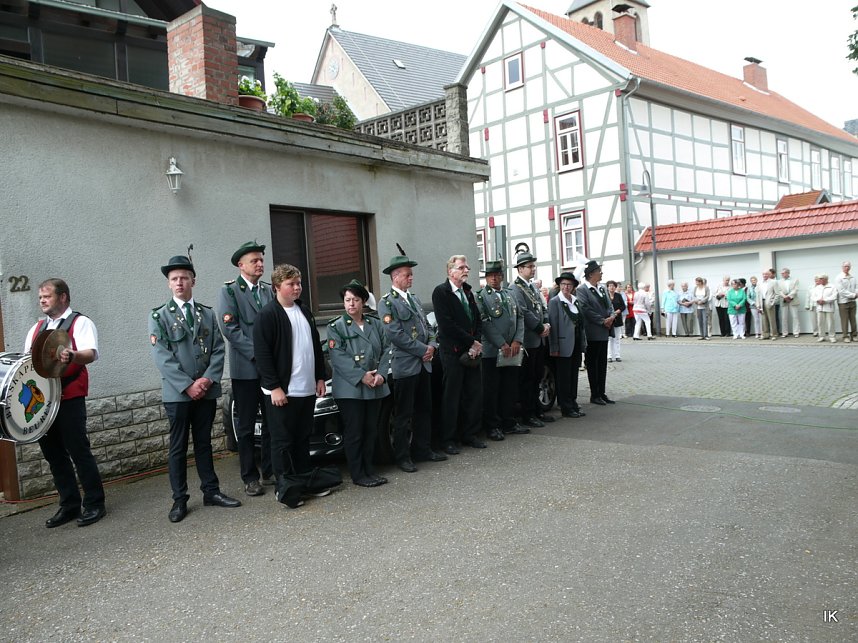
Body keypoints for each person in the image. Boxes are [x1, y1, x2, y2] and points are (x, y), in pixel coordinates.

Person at [149, 256, 241, 523]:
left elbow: (218, 349)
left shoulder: (207, 314)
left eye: (184, 278)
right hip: (178, 394)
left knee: (204, 443)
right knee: (178, 447)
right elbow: (162, 357)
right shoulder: (159, 316)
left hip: (206, 391)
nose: (179, 282)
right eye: (174, 279)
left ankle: (211, 492)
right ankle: (179, 500)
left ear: (193, 281)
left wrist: (207, 380)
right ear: (169, 284)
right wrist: (188, 386)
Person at [24, 278, 106, 528]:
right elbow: (28, 361)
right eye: (40, 297)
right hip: (44, 401)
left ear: (63, 297)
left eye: (47, 296)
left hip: (70, 396)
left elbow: (90, 354)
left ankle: (95, 503)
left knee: (78, 450)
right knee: (54, 455)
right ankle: (69, 504)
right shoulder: (37, 328)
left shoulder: (80, 322)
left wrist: (72, 355)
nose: (42, 301)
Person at [252, 263, 328, 505]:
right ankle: (286, 490)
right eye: (291, 284)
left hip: (306, 389)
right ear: (277, 286)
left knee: (302, 439)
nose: (297, 288)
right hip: (282, 391)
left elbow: (315, 347)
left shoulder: (304, 311)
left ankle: (305, 484)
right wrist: (274, 387)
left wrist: (319, 377)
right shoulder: (267, 315)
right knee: (282, 442)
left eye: (299, 283)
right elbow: (262, 355)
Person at [379, 254, 447, 471]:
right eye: (407, 275)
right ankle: (402, 456)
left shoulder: (415, 299)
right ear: (395, 276)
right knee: (403, 414)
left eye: (411, 274)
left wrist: (432, 346)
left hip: (424, 363)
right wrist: (422, 350)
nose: (411, 278)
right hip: (406, 366)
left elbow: (427, 327)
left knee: (424, 409)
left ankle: (422, 449)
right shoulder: (387, 303)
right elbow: (395, 334)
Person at [216, 241, 274, 497]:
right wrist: (259, 355)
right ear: (241, 265)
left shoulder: (268, 291)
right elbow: (230, 329)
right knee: (247, 426)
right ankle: (250, 477)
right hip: (247, 371)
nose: (260, 264)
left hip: (269, 370)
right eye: (254, 261)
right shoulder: (230, 292)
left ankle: (271, 470)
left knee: (272, 422)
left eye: (261, 260)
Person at [328, 280, 391, 487]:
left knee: (371, 430)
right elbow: (338, 358)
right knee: (355, 432)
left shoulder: (375, 324)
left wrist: (381, 374)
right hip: (351, 389)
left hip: (375, 386)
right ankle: (358, 474)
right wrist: (362, 376)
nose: (351, 304)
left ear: (363, 301)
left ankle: (369, 470)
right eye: (347, 300)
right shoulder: (336, 327)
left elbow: (387, 350)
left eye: (355, 300)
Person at [433, 255, 485, 451]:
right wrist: (471, 341)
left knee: (473, 394)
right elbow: (447, 325)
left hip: (472, 351)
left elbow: (477, 320)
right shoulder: (441, 292)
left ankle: (470, 434)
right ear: (450, 271)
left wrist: (476, 343)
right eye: (462, 267)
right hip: (452, 353)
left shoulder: (468, 292)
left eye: (467, 267)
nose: (466, 270)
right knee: (452, 397)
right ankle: (448, 439)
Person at [476, 260, 527, 441]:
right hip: (492, 351)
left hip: (512, 349)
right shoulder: (481, 296)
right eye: (490, 276)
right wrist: (501, 343)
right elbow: (484, 322)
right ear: (486, 278)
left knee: (509, 387)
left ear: (502, 277)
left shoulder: (509, 294)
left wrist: (517, 340)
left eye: (497, 275)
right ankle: (493, 426)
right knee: (491, 390)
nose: (494, 279)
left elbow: (520, 317)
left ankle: (509, 421)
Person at [511, 252, 553, 427]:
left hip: (539, 339)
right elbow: (524, 311)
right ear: (520, 269)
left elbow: (541, 307)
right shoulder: (515, 288)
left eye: (533, 266)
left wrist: (546, 323)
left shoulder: (532, 287)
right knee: (527, 379)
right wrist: (539, 327)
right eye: (529, 266)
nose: (533, 269)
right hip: (528, 339)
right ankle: (527, 414)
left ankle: (537, 410)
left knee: (537, 377)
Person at [575, 261, 618, 406]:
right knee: (593, 364)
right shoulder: (582, 290)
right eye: (599, 271)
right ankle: (595, 394)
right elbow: (585, 309)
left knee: (602, 363)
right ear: (591, 274)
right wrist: (602, 320)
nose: (601, 273)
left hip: (604, 331)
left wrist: (611, 317)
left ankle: (602, 392)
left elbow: (610, 305)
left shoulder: (602, 288)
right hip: (593, 332)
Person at [549, 272, 587, 418]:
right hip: (562, 344)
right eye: (563, 284)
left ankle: (573, 402)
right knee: (563, 377)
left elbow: (581, 324)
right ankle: (566, 407)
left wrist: (583, 342)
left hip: (575, 343)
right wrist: (554, 347)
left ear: (573, 287)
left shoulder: (575, 301)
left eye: (569, 284)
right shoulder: (555, 301)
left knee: (573, 375)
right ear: (559, 285)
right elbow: (553, 325)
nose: (566, 287)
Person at [835, 261, 857, 342]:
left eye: (848, 266)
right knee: (844, 320)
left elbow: (856, 287)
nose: (847, 268)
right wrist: (853, 295)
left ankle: (854, 335)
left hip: (852, 301)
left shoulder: (853, 277)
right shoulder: (839, 277)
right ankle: (845, 336)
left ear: (850, 267)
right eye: (845, 266)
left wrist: (856, 293)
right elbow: (841, 291)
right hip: (843, 302)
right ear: (842, 267)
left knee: (853, 319)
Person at [811, 274, 838, 342]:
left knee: (830, 323)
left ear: (826, 279)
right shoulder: (817, 287)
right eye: (819, 279)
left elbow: (834, 296)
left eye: (821, 279)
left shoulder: (832, 286)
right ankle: (821, 336)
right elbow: (813, 296)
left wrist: (825, 300)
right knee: (820, 323)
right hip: (820, 307)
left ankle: (832, 337)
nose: (819, 280)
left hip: (829, 307)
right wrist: (818, 300)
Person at [756, 268, 780, 340]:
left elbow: (777, 294)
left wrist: (773, 302)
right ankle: (765, 334)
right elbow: (758, 294)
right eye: (763, 274)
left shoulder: (774, 282)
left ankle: (774, 335)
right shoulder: (759, 283)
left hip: (770, 303)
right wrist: (758, 305)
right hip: (761, 302)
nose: (765, 275)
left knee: (772, 319)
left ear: (769, 275)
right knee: (763, 319)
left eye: (766, 274)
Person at [777, 268, 800, 337]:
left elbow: (796, 289)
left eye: (783, 273)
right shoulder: (778, 281)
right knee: (784, 318)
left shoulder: (795, 280)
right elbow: (779, 290)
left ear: (787, 273)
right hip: (783, 300)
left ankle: (796, 332)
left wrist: (789, 296)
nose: (782, 274)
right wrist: (784, 297)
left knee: (795, 317)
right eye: (781, 273)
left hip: (793, 300)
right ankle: (784, 333)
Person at [606, 280, 625, 361]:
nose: (612, 287)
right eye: (610, 286)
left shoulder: (618, 295)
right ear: (607, 287)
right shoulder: (605, 296)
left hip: (617, 319)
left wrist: (617, 311)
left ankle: (617, 355)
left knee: (617, 338)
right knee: (609, 338)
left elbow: (623, 306)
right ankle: (609, 356)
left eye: (613, 286)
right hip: (608, 319)